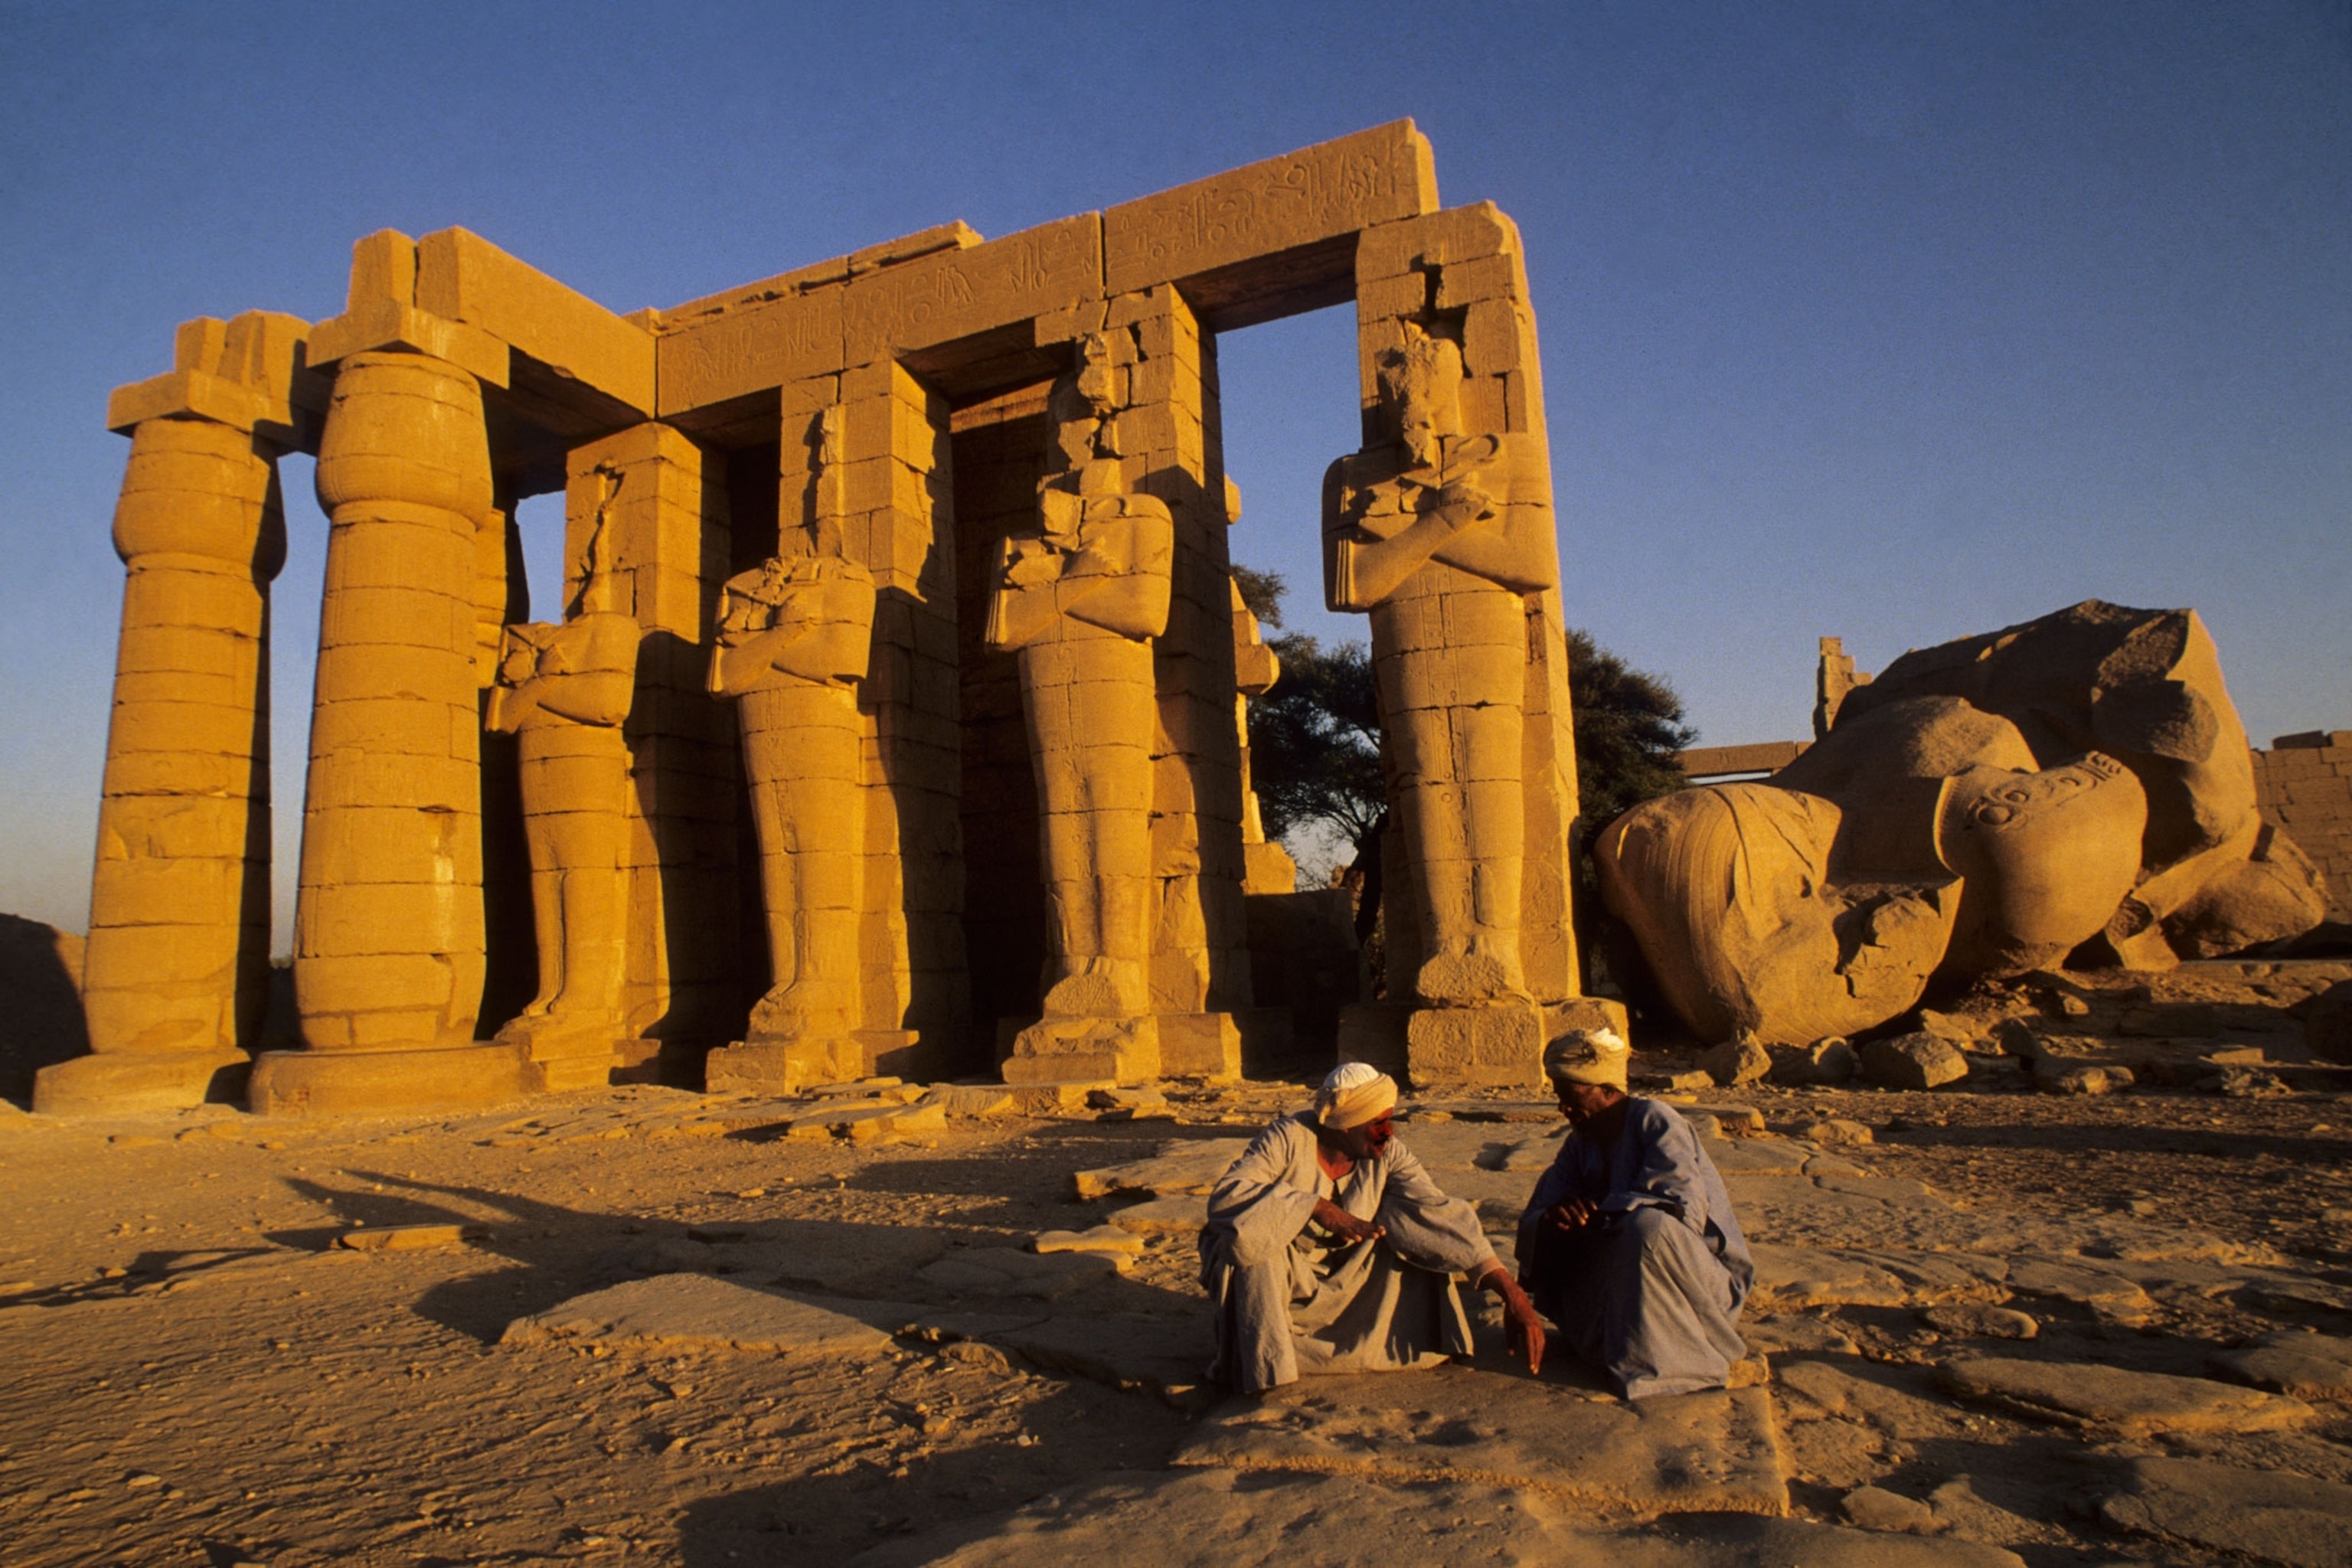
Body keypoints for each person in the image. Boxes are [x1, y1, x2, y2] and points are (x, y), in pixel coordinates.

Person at [1199, 1062, 1547, 1393]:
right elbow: (1229, 1196)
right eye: (1378, 1123)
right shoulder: (1287, 1137)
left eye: (1389, 1121)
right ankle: (1269, 1363)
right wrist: (1314, 1207)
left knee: (1405, 1218)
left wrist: (1512, 1294)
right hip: (1288, 1277)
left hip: (1352, 1279)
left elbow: (1440, 1215)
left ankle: (1374, 1345)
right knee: (1254, 1239)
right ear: (1346, 1125)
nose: (1388, 1132)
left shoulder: (1389, 1153)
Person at [1514, 1028, 1754, 1399]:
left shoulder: (1656, 1120)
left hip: (1698, 1283)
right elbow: (1538, 1212)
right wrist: (1554, 1219)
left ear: (1606, 1089)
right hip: (1621, 1271)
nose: (1563, 1108)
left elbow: (1682, 1211)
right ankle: (1612, 1343)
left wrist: (1600, 1215)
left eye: (1571, 1096)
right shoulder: (1579, 1143)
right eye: (1559, 1098)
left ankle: (1683, 1365)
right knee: (1550, 1235)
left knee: (1648, 1227)